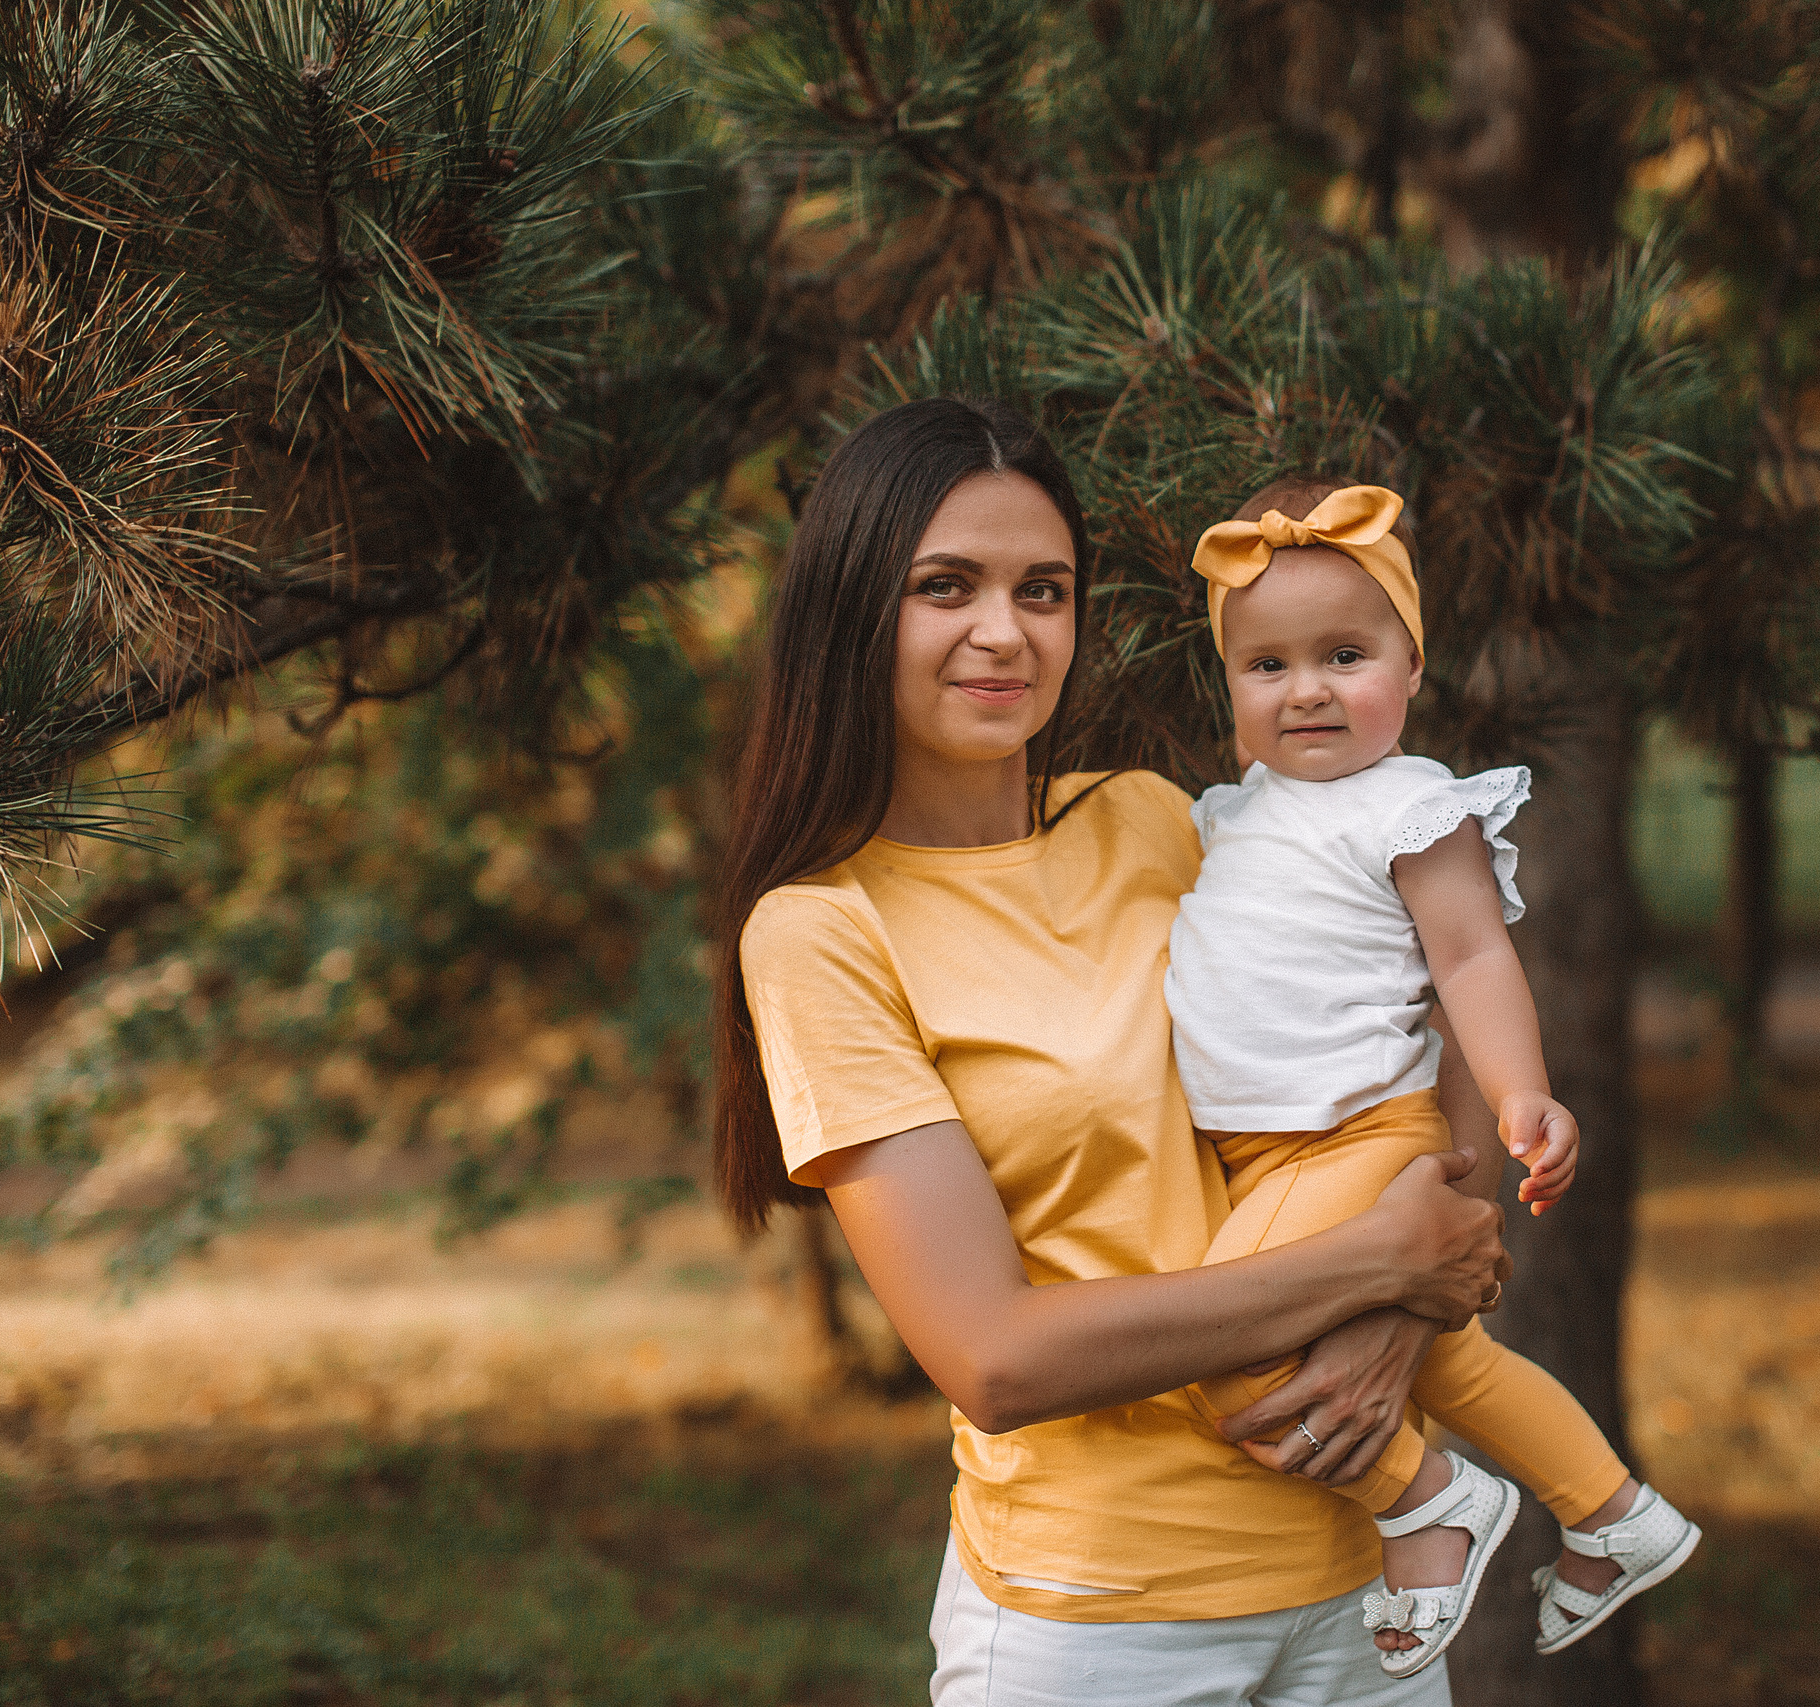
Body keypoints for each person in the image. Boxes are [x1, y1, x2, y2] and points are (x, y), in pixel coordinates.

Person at [712, 398, 1514, 1706]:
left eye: (1044, 587)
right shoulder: (821, 930)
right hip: (1101, 1620)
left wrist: (1407, 1301)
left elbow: (1442, 985)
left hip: (1357, 1578)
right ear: (855, 609)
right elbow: (995, 1354)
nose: (1004, 630)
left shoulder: (1148, 819)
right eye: (944, 586)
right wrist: (1378, 1258)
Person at [1167, 479, 1703, 1677]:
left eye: (1344, 654)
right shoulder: (1234, 814)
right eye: (1267, 666)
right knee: (1448, 1357)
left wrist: (1521, 1093)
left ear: (1411, 669)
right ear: (1231, 687)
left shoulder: (1409, 805)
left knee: (1216, 1342)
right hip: (1264, 1152)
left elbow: (1470, 956)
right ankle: (1615, 1514)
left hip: (1354, 1136)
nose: (1305, 688)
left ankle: (1428, 1502)